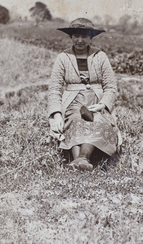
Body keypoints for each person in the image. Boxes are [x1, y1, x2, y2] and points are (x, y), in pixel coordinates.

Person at [48, 18, 122, 171]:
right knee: (74, 119)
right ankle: (80, 160)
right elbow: (54, 89)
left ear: (91, 38)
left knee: (99, 120)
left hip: (96, 101)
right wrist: (56, 114)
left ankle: (81, 158)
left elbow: (110, 87)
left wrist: (103, 104)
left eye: (84, 36)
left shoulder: (100, 56)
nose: (80, 40)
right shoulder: (63, 57)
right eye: (76, 36)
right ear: (71, 37)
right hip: (72, 102)